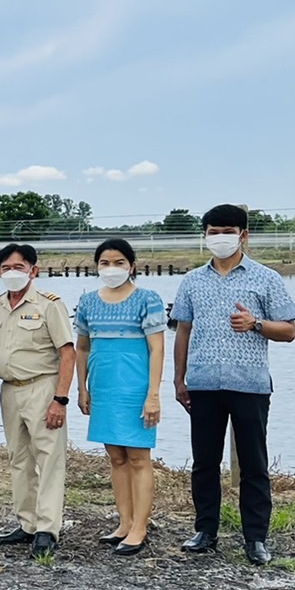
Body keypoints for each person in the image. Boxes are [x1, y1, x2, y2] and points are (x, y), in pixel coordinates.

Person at [171, 204, 295, 565]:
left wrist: (256, 323)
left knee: (254, 464)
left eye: (227, 231)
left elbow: (289, 330)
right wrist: (179, 379)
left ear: (244, 235)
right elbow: (183, 330)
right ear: (205, 235)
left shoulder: (266, 278)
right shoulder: (193, 280)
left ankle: (255, 538)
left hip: (250, 385)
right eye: (213, 231)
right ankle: (205, 530)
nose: (220, 238)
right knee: (205, 462)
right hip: (203, 384)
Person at [75, 239, 167, 557]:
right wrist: (82, 388)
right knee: (116, 458)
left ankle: (140, 527)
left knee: (139, 459)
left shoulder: (147, 299)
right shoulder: (87, 302)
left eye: (118, 262)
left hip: (135, 388)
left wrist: (153, 395)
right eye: (104, 262)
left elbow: (157, 348)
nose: (110, 268)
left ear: (132, 266)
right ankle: (124, 522)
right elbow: (83, 347)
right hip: (103, 387)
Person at [0, 244, 75, 558]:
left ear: (33, 270)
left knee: (49, 459)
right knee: (18, 459)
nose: (12, 273)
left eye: (19, 267)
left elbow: (68, 353)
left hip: (43, 387)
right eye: (6, 268)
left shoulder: (49, 305)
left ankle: (47, 529)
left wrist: (60, 399)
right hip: (10, 389)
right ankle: (27, 523)